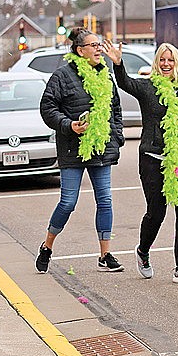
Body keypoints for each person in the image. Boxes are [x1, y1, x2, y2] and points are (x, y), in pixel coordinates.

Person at [107, 40, 178, 284]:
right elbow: (125, 83)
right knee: (156, 212)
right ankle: (142, 250)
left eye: (170, 60)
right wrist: (118, 63)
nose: (165, 64)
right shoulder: (147, 87)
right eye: (162, 60)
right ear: (156, 63)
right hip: (153, 158)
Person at [37, 27, 124, 273]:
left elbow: (115, 109)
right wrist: (68, 126)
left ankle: (105, 254)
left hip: (101, 149)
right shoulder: (62, 76)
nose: (99, 49)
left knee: (105, 201)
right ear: (80, 50)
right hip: (72, 149)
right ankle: (47, 246)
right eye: (94, 45)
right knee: (67, 202)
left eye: (99, 45)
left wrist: (115, 137)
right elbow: (47, 108)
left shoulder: (105, 75)